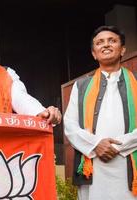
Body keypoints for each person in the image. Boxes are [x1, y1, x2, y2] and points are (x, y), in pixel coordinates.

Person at [64, 25, 137, 199]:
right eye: (100, 42)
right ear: (94, 53)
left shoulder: (135, 83)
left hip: (128, 163)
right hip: (93, 166)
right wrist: (96, 144)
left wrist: (118, 145)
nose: (106, 45)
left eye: (112, 41)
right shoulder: (81, 86)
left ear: (122, 50)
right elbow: (70, 125)